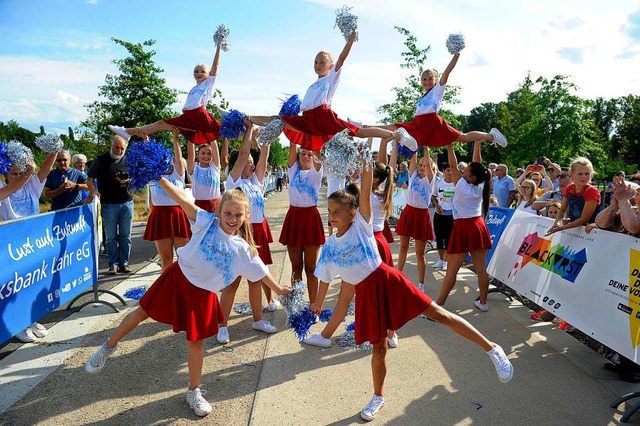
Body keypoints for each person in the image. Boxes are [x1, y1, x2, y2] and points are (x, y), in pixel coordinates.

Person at [309, 153, 513, 421]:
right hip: (368, 294)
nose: (333, 217)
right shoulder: (330, 246)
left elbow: (367, 183)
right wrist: (317, 303)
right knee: (378, 348)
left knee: (438, 314)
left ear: (352, 212)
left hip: (388, 282)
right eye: (330, 212)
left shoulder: (362, 225)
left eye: (338, 212)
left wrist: (364, 158)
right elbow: (324, 277)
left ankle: (492, 349)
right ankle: (377, 396)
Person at [85, 181, 291, 417]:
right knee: (141, 312)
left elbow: (261, 270)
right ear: (218, 211)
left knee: (196, 343)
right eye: (228, 213)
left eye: (238, 215)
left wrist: (278, 289)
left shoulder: (242, 248)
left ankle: (194, 391)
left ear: (246, 217)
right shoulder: (205, 222)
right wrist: (160, 177)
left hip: (203, 295)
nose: (232, 219)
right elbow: (182, 199)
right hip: (178, 279)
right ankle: (108, 346)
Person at [247, 32, 408, 152]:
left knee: (360, 132)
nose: (317, 64)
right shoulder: (313, 85)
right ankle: (246, 117)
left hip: (324, 117)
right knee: (278, 120)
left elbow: (342, 58)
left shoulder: (331, 78)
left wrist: (350, 40)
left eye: (322, 62)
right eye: (315, 62)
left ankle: (396, 135)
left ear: (330, 66)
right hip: (308, 119)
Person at [351, 52, 508, 149]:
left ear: (436, 79)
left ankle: (491, 135)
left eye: (430, 79)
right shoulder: (422, 96)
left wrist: (456, 55)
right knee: (395, 126)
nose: (427, 81)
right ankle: (365, 126)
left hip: (432, 122)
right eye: (424, 79)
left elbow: (447, 72)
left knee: (463, 137)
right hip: (419, 122)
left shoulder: (437, 90)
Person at [217, 120, 278, 344]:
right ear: (238, 164)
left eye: (253, 163)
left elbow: (264, 156)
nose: (252, 165)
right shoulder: (233, 181)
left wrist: (268, 136)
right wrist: (249, 129)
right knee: (232, 284)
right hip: (237, 236)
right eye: (248, 162)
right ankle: (222, 325)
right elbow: (243, 154)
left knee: (255, 279)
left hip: (256, 235)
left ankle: (258, 319)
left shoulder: (256, 182)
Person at [107, 43, 222, 145]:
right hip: (188, 116)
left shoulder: (208, 84)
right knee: (159, 124)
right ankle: (127, 132)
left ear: (208, 74)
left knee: (223, 131)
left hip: (198, 116)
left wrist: (218, 46)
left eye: (203, 71)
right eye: (196, 71)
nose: (199, 73)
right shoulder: (194, 88)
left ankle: (127, 132)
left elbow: (216, 66)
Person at [1, 151, 56, 343]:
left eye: (21, 172)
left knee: (34, 283)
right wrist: (25, 174)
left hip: (33, 242)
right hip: (13, 246)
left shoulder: (31, 186)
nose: (19, 176)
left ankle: (32, 319)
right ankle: (18, 324)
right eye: (13, 173)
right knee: (17, 286)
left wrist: (54, 149)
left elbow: (46, 168)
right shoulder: (3, 187)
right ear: (5, 174)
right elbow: (7, 191)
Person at [436, 141, 493, 311]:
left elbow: (453, 165)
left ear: (472, 177)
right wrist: (477, 144)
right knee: (481, 270)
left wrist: (449, 145)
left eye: (467, 171)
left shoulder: (461, 185)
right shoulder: (481, 184)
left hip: (463, 227)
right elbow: (477, 164)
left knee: (452, 271)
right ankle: (483, 303)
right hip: (478, 226)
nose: (464, 170)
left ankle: (439, 305)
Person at [279, 141, 325, 307]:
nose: (306, 156)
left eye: (309, 154)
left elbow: (317, 149)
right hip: (294, 218)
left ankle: (314, 306)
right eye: (303, 153)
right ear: (298, 156)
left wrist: (313, 131)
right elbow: (292, 144)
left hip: (311, 219)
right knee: (296, 267)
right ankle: (297, 305)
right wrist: (293, 135)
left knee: (311, 268)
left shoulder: (316, 173)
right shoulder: (293, 171)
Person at [143, 130, 191, 271]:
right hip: (160, 216)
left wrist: (175, 139)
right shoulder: (154, 175)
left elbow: (179, 155)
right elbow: (149, 157)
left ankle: (184, 287)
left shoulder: (178, 174)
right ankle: (166, 288)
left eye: (169, 158)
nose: (167, 161)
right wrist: (146, 140)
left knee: (183, 257)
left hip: (178, 215)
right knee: (166, 258)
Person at [86, 136, 134, 275]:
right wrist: (94, 191)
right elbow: (90, 180)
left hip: (127, 202)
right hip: (108, 204)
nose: (119, 151)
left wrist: (130, 180)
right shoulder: (100, 160)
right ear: (110, 145)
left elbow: (137, 177)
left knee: (126, 236)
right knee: (111, 237)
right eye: (116, 147)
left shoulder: (129, 160)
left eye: (122, 148)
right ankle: (112, 264)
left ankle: (124, 263)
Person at [393, 143, 435, 291]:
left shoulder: (430, 180)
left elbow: (429, 166)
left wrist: (426, 147)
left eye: (425, 165)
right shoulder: (412, 176)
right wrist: (415, 145)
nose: (422, 166)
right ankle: (398, 275)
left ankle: (421, 283)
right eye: (420, 164)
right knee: (403, 247)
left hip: (421, 216)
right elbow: (413, 159)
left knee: (419, 253)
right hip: (409, 213)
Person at [547, 156, 600, 235]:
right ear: (572, 174)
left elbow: (584, 219)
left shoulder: (592, 191)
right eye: (580, 174)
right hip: (574, 230)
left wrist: (560, 228)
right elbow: (562, 210)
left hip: (590, 233)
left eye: (587, 174)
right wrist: (557, 222)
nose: (584, 176)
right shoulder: (569, 188)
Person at [186, 137, 221, 213]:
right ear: (198, 155)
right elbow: (190, 154)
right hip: (199, 207)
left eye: (209, 154)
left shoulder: (215, 168)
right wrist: (191, 134)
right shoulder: (194, 169)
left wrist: (210, 133)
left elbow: (214, 145)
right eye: (203, 153)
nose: (206, 156)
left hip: (216, 206)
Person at [431, 161, 455, 271]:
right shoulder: (439, 183)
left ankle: (446, 261)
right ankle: (440, 259)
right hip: (439, 214)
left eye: (451, 170)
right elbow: (434, 196)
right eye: (448, 170)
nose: (450, 173)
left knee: (449, 239)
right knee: (439, 238)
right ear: (443, 171)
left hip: (451, 216)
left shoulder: (456, 184)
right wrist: (436, 206)